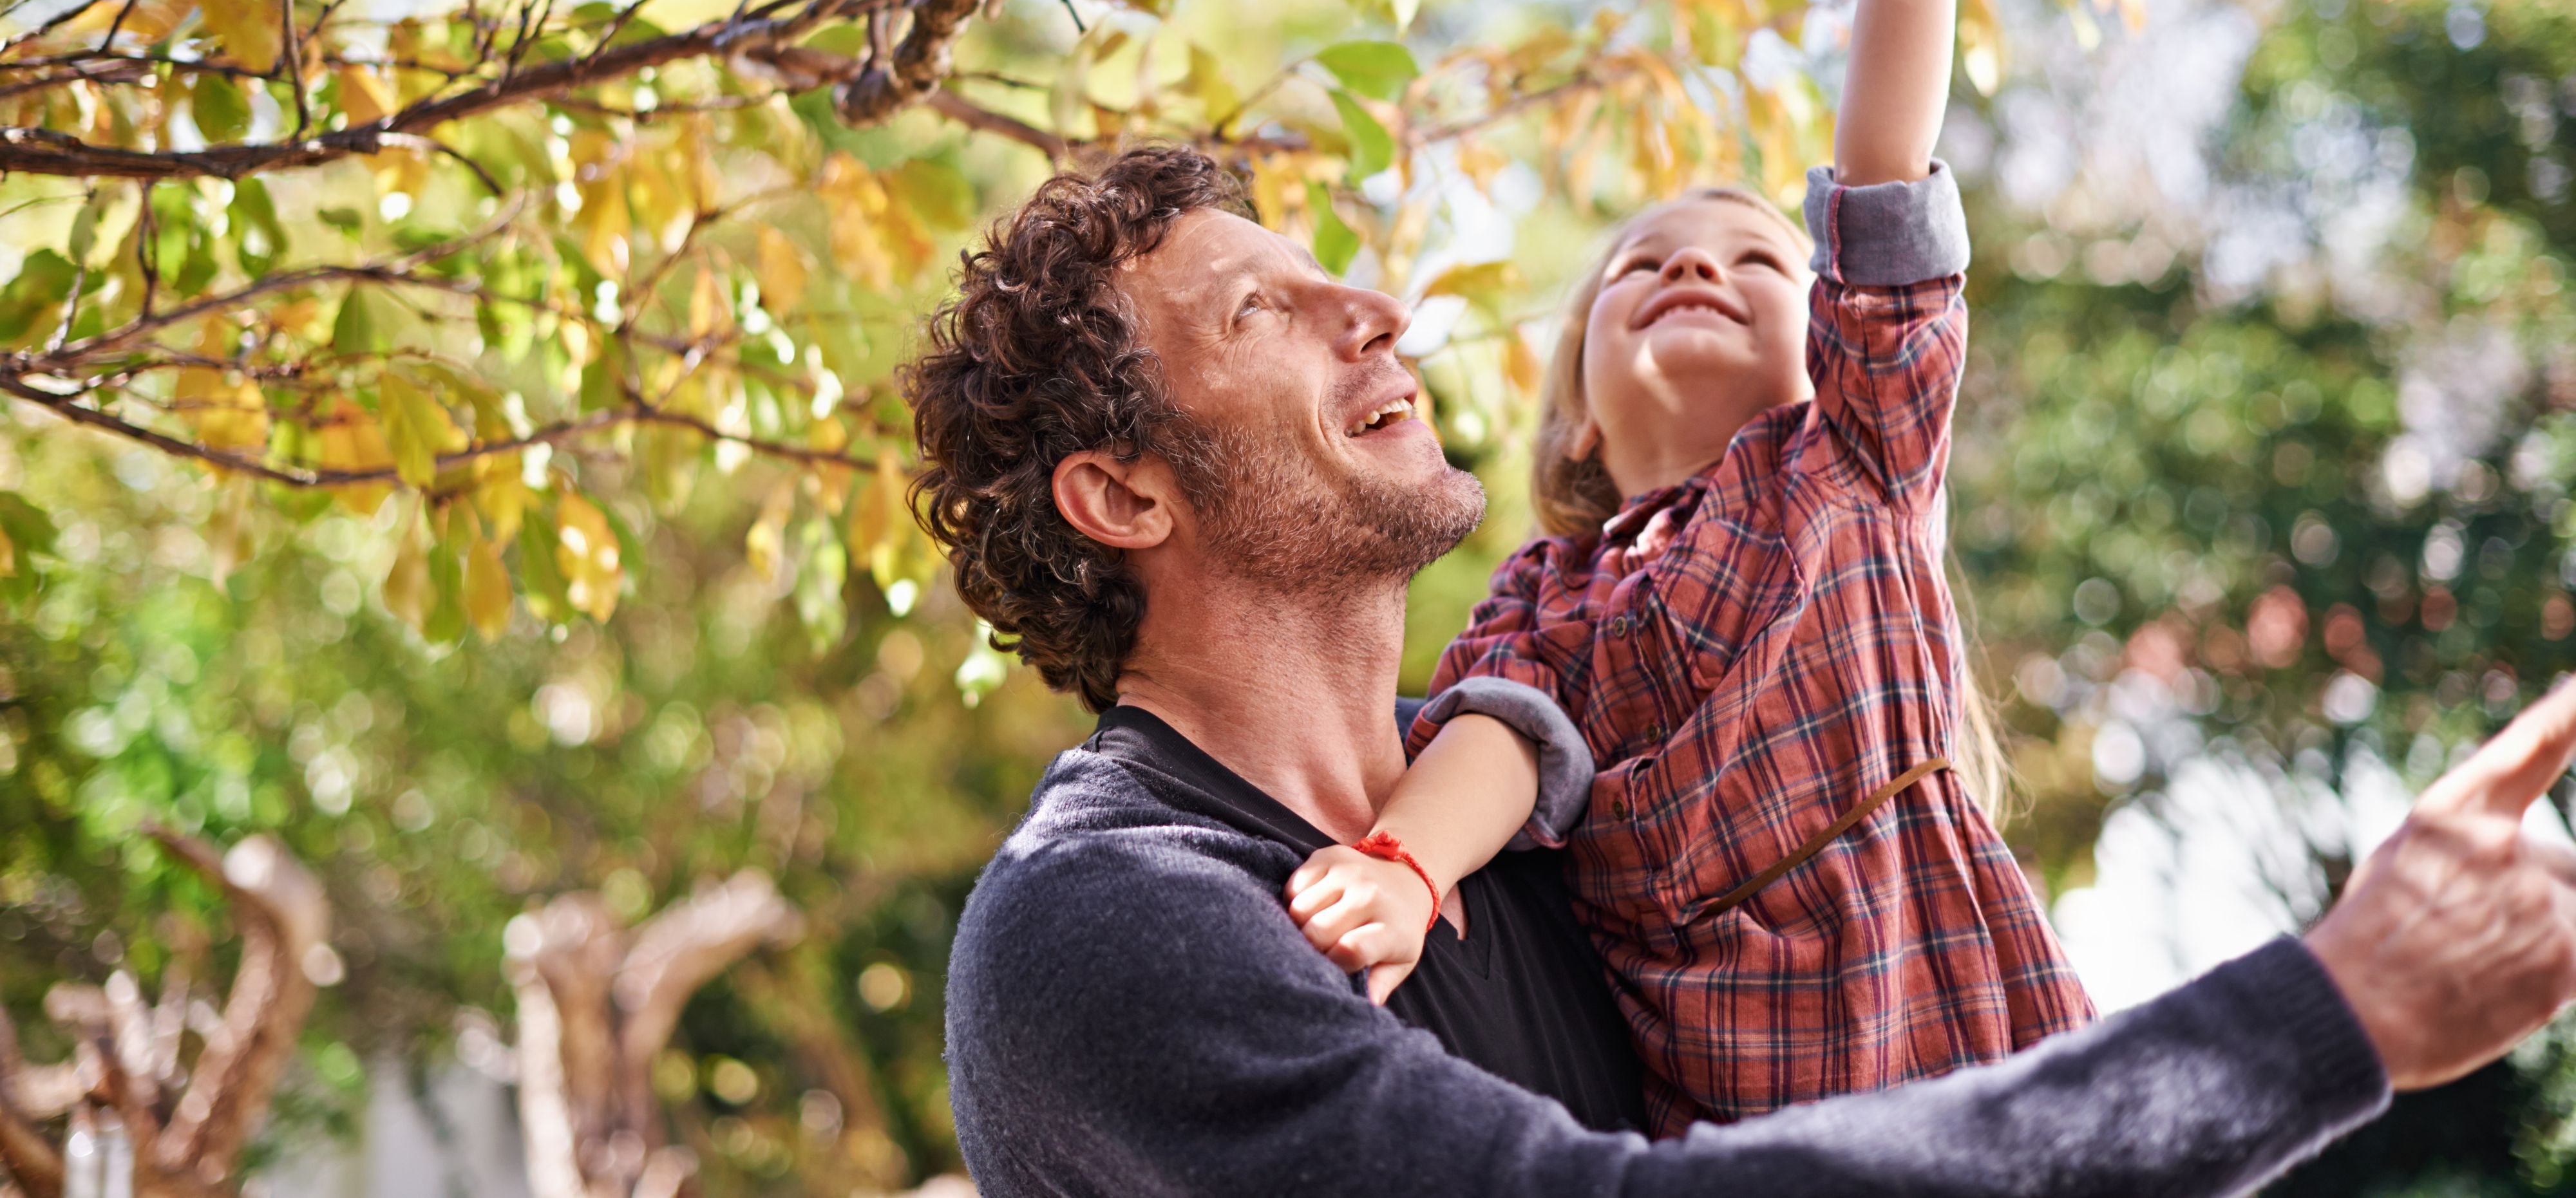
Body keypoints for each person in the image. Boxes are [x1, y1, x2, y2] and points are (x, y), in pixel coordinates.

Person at [904, 137, 2576, 1197]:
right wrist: (2326, 1007)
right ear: (1123, 492)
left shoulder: (1573, 830)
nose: (1377, 305)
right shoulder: (1104, 921)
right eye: (1260, 310)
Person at [1279, 0, 2091, 1134]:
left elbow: (1881, 183)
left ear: (1827, 342)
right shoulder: (1549, 590)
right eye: (1639, 263)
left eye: (1749, 258)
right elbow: (1500, 735)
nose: (1688, 267)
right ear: (1575, 411)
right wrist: (1402, 863)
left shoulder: (1848, 457)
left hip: (1956, 1029)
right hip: (1735, 1102)